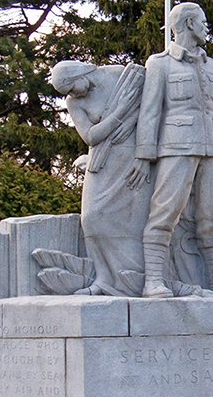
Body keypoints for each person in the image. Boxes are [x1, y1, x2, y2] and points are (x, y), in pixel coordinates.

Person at [126, 3, 213, 298]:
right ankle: (153, 280)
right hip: (176, 147)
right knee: (165, 211)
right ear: (189, 23)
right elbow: (150, 112)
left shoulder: (212, 66)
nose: (208, 28)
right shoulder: (160, 64)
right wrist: (144, 156)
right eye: (204, 22)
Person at [51, 61, 152, 296]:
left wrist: (145, 156)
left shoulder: (121, 76)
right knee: (92, 218)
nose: (72, 94)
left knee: (134, 221)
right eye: (66, 92)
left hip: (133, 158)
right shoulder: (74, 102)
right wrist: (119, 115)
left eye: (71, 87)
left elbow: (151, 111)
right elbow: (91, 136)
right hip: (102, 161)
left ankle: (136, 279)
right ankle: (104, 279)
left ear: (79, 73)